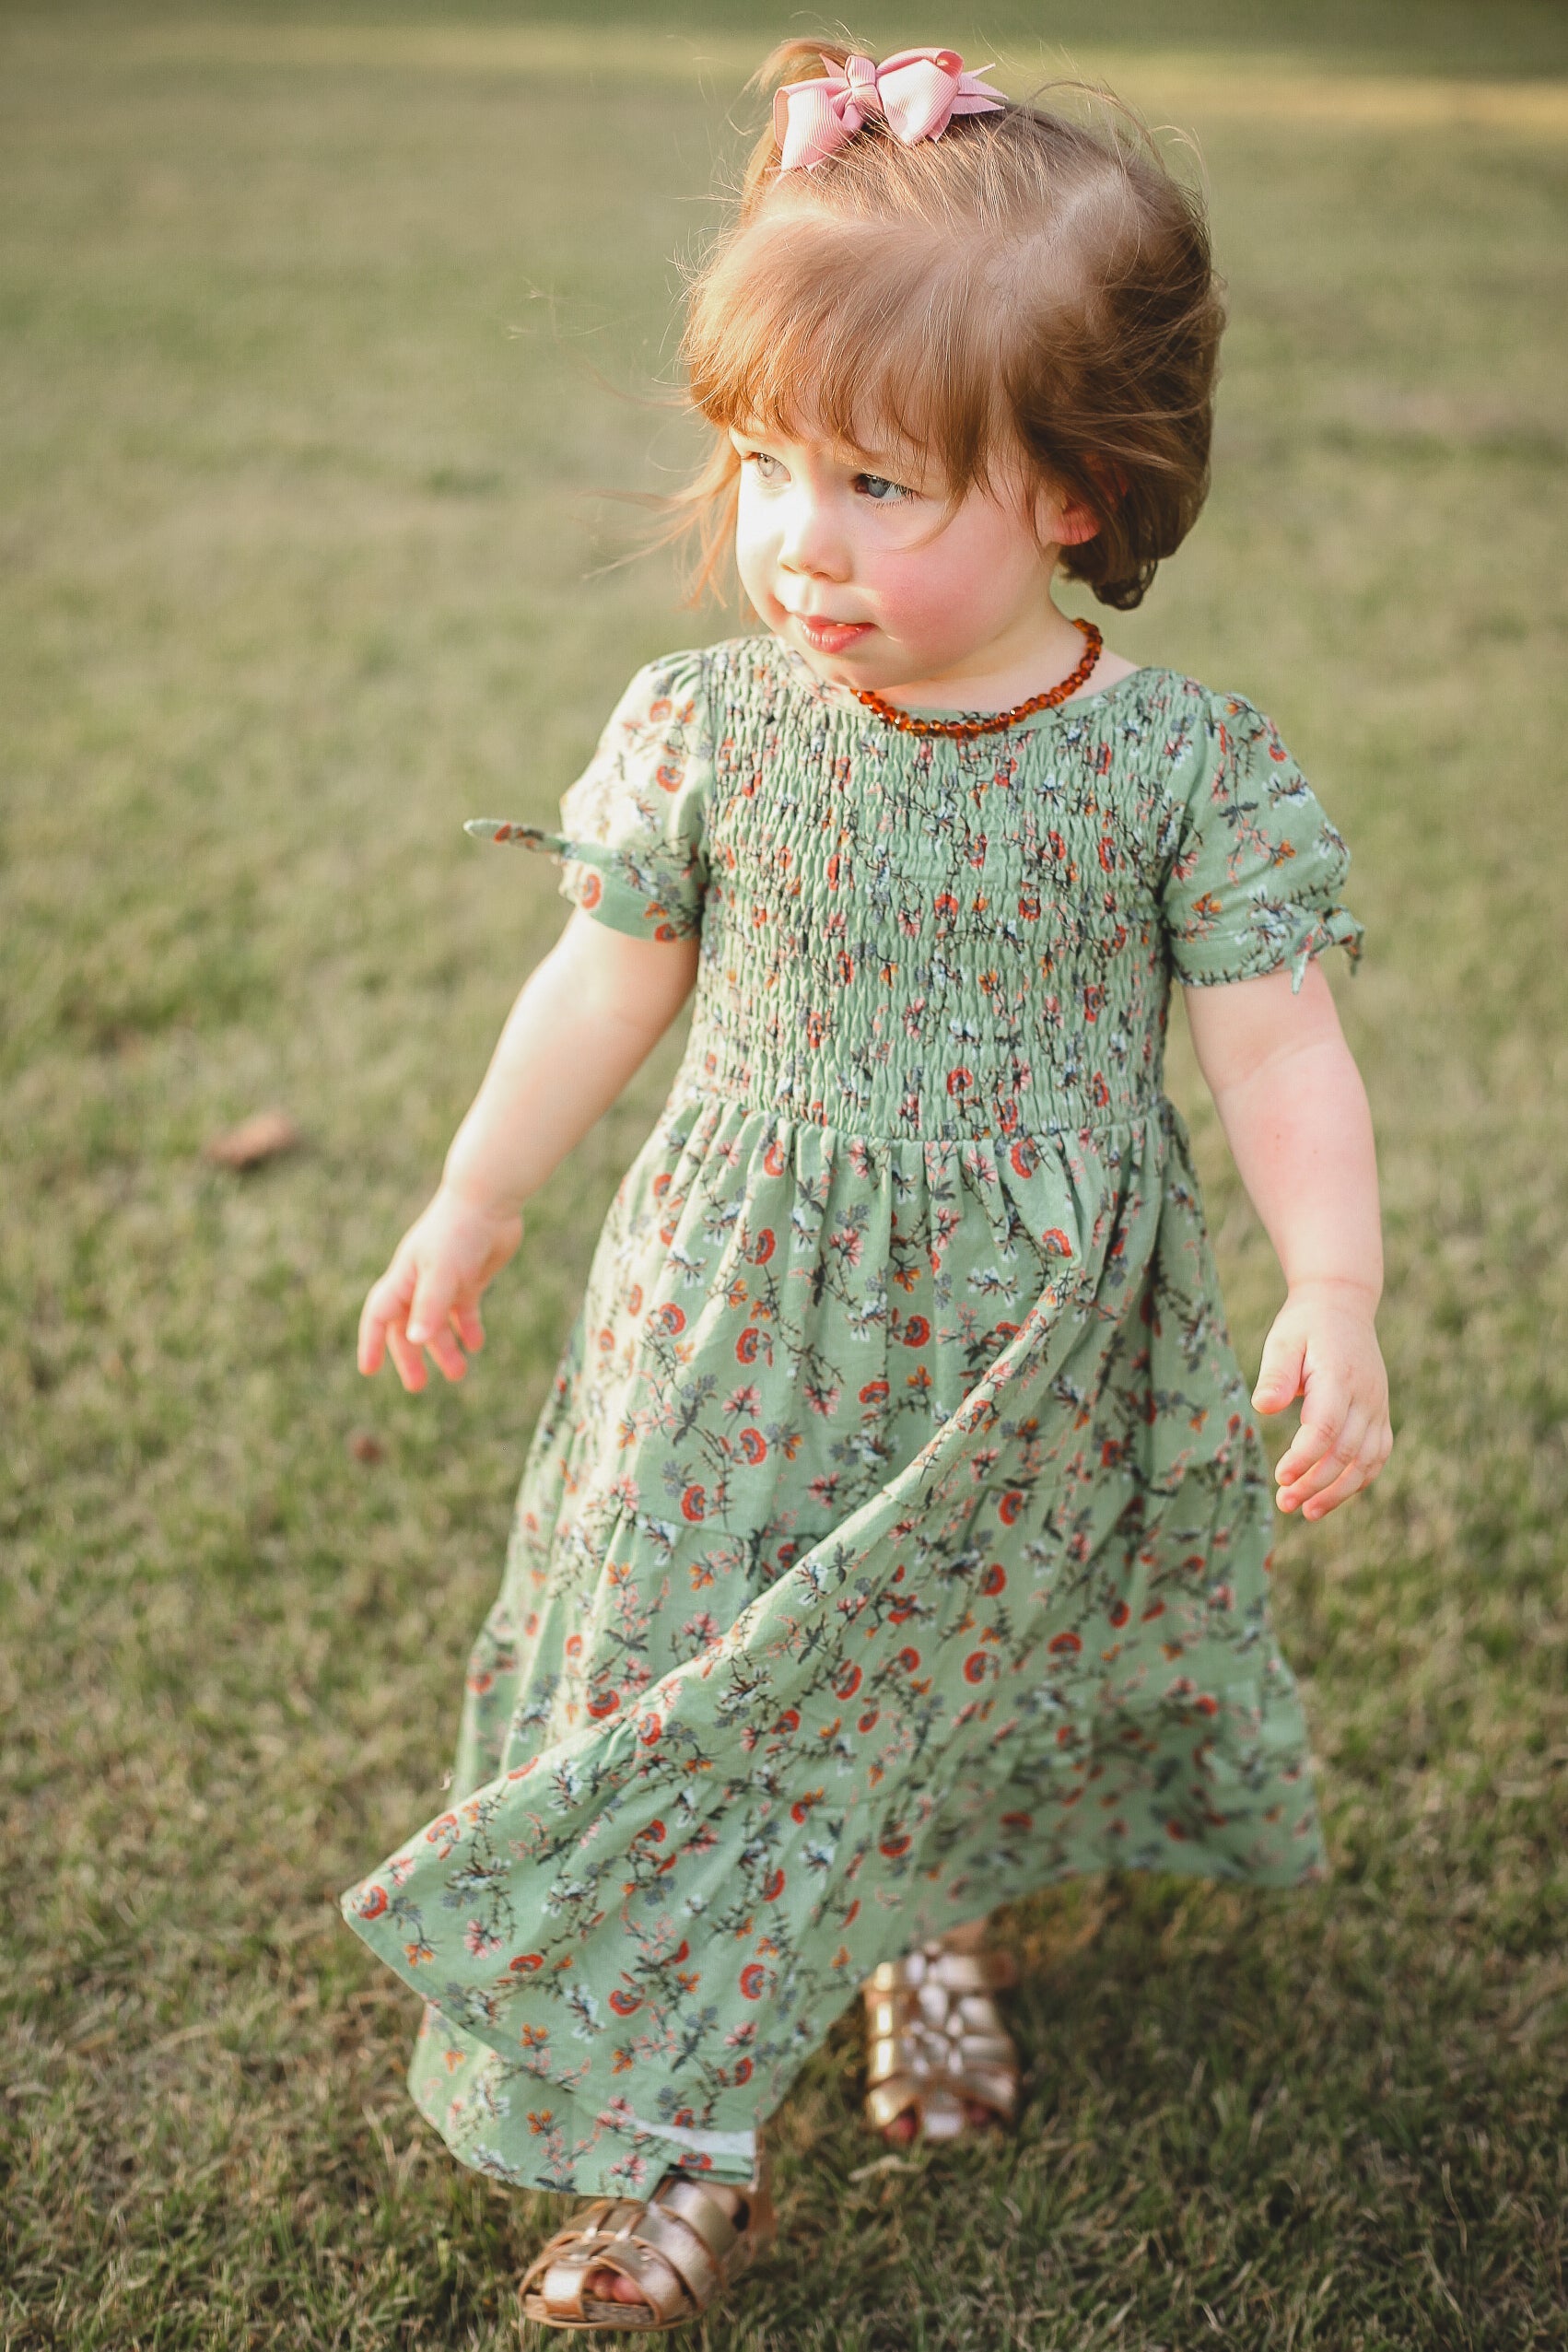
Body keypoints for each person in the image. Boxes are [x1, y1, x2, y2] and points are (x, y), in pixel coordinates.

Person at [343, 37, 1392, 2333]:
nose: (797, 535)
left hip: (1013, 1341)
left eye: (878, 481)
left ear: (1077, 496)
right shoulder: (708, 725)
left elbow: (1275, 1034)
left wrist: (1331, 1279)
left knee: (925, 1674)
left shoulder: (1173, 769)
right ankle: (656, 2148)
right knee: (684, 1665)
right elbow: (597, 982)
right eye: (760, 466)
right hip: (726, 1298)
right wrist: (474, 1192)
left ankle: (918, 1929)